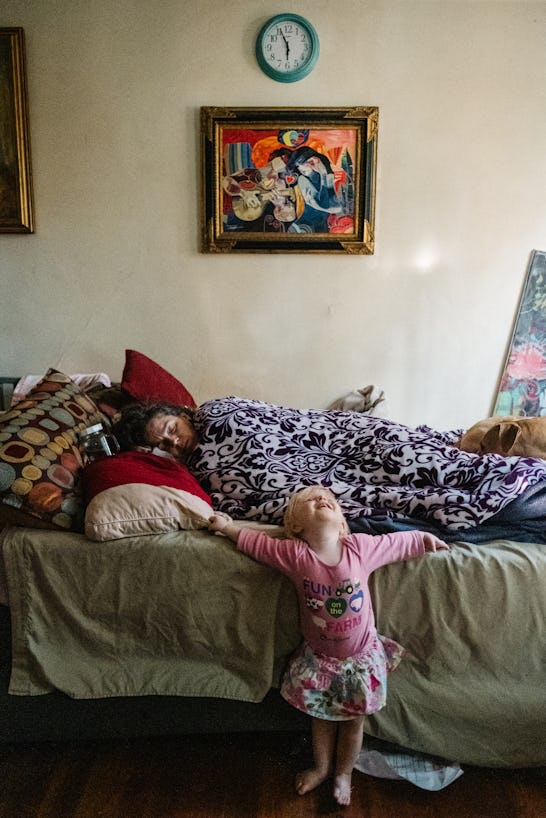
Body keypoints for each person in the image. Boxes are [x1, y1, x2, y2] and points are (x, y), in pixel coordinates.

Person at [208, 485, 449, 806]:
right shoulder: (295, 555)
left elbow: (393, 543)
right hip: (321, 661)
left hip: (361, 659)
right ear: (295, 527)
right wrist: (227, 528)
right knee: (320, 719)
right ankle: (321, 768)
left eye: (331, 501)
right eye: (310, 500)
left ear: (341, 522)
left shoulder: (358, 548)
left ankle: (343, 774)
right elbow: (259, 544)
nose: (323, 499)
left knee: (353, 724)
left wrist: (421, 539)